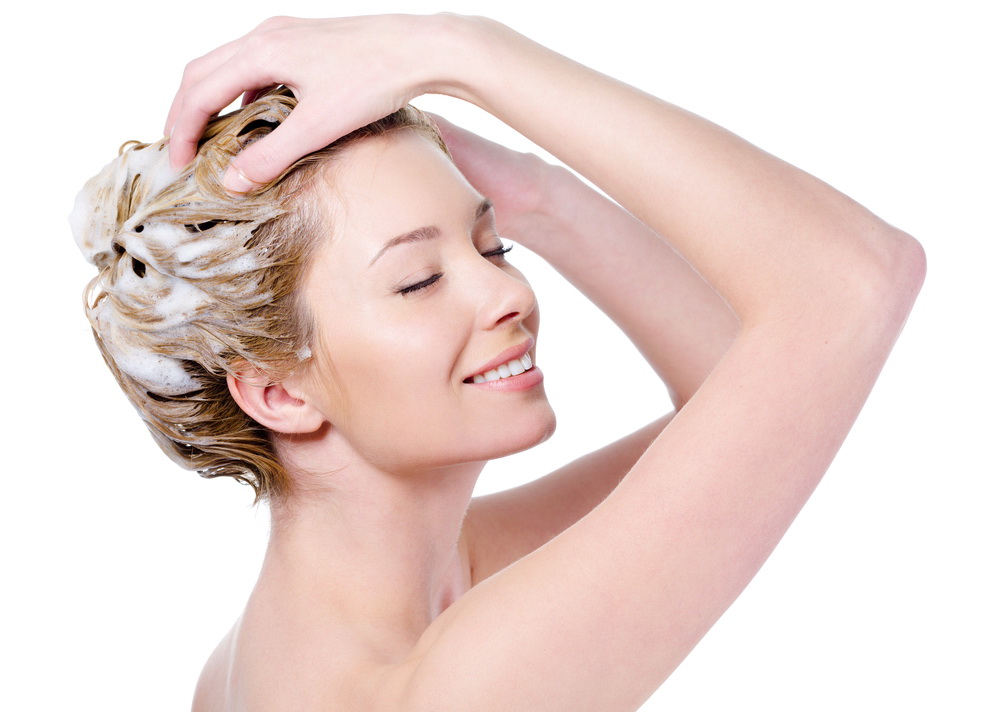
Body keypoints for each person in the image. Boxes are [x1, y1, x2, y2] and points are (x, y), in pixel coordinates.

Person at [73, 14, 924, 712]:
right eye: (418, 280)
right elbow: (853, 284)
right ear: (276, 391)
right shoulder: (437, 691)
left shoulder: (378, 604)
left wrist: (535, 195)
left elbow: (739, 391)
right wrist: (457, 49)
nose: (508, 293)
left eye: (493, 245)